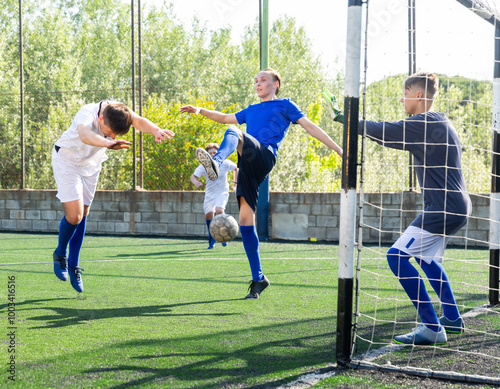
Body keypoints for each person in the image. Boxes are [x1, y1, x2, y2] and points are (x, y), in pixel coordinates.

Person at [328, 72, 471, 345]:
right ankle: (451, 319)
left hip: (443, 207)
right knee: (427, 260)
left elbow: (385, 132)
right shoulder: (439, 121)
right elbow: (391, 135)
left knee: (396, 257)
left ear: (418, 95)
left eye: (405, 93)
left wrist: (347, 121)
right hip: (454, 205)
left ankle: (431, 327)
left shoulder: (425, 122)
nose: (402, 99)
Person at [181, 68, 343, 299]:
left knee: (233, 132)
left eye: (263, 80)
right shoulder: (251, 110)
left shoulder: (285, 105)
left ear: (276, 84)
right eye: (256, 81)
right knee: (246, 221)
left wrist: (338, 149)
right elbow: (225, 116)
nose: (258, 84)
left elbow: (310, 126)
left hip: (265, 155)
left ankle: (216, 162)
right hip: (248, 165)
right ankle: (259, 279)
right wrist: (200, 110)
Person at [52, 100, 174, 292]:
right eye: (110, 132)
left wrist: (156, 130)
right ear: (100, 118)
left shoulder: (118, 110)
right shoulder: (87, 113)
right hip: (67, 159)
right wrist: (108, 142)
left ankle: (74, 266)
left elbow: (138, 120)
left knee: (83, 213)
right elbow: (85, 135)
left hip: (90, 164)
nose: (112, 136)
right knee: (74, 216)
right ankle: (60, 254)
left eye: (114, 135)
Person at [190, 142, 238, 249]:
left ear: (218, 153)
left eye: (214, 153)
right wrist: (196, 182)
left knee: (220, 210)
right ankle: (211, 238)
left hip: (222, 192)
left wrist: (235, 184)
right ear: (206, 155)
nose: (212, 155)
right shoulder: (204, 166)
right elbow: (193, 177)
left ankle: (224, 235)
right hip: (210, 194)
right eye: (210, 153)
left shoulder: (225, 163)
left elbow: (236, 168)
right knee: (208, 215)